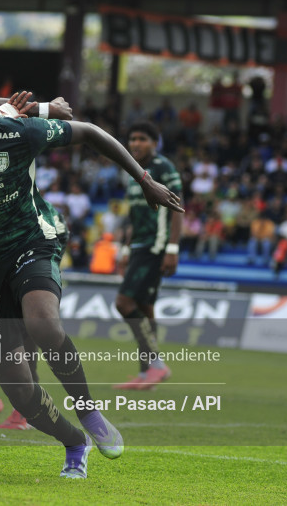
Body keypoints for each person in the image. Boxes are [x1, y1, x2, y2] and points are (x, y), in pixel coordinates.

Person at [0, 76, 183, 479]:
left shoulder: (18, 133)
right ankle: (75, 442)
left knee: (43, 323)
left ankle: (89, 412)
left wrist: (144, 180)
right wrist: (26, 104)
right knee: (16, 384)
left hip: (30, 242)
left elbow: (89, 132)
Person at [113, 121, 183, 390]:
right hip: (139, 246)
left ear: (155, 143)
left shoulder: (164, 168)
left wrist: (172, 248)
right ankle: (146, 374)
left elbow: (179, 206)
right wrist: (125, 249)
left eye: (142, 139)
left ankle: (157, 365)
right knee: (144, 307)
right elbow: (134, 216)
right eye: (132, 138)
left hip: (156, 246)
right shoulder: (134, 172)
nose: (136, 143)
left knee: (123, 302)